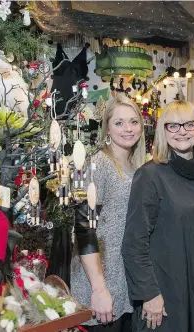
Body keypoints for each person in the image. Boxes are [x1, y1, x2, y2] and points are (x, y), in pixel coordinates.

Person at [122, 100, 194, 332]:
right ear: (163, 131)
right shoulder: (150, 176)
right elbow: (134, 243)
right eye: (172, 126)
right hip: (168, 292)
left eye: (188, 124)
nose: (182, 131)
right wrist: (149, 294)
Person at [71, 95, 146, 331]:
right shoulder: (97, 164)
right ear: (107, 128)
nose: (128, 129)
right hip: (101, 280)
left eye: (134, 122)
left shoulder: (137, 166)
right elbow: (83, 229)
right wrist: (99, 288)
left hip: (124, 280)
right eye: (119, 123)